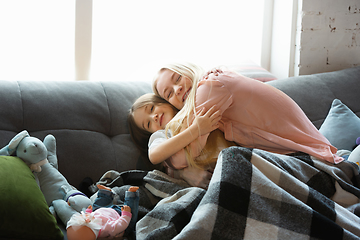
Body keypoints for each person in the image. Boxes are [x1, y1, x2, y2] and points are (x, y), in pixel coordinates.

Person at [151, 62, 344, 166]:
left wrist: (195, 129)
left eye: (177, 78)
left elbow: (179, 160)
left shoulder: (207, 90)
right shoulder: (214, 82)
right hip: (308, 151)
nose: (177, 89)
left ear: (188, 70)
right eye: (169, 94)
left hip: (308, 157)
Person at [66, 185, 140, 240]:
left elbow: (87, 217)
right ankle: (132, 195)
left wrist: (88, 212)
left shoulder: (87, 222)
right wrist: (125, 215)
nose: (84, 217)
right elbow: (120, 225)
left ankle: (105, 193)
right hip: (118, 215)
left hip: (103, 210)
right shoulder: (106, 230)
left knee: (97, 205)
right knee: (131, 215)